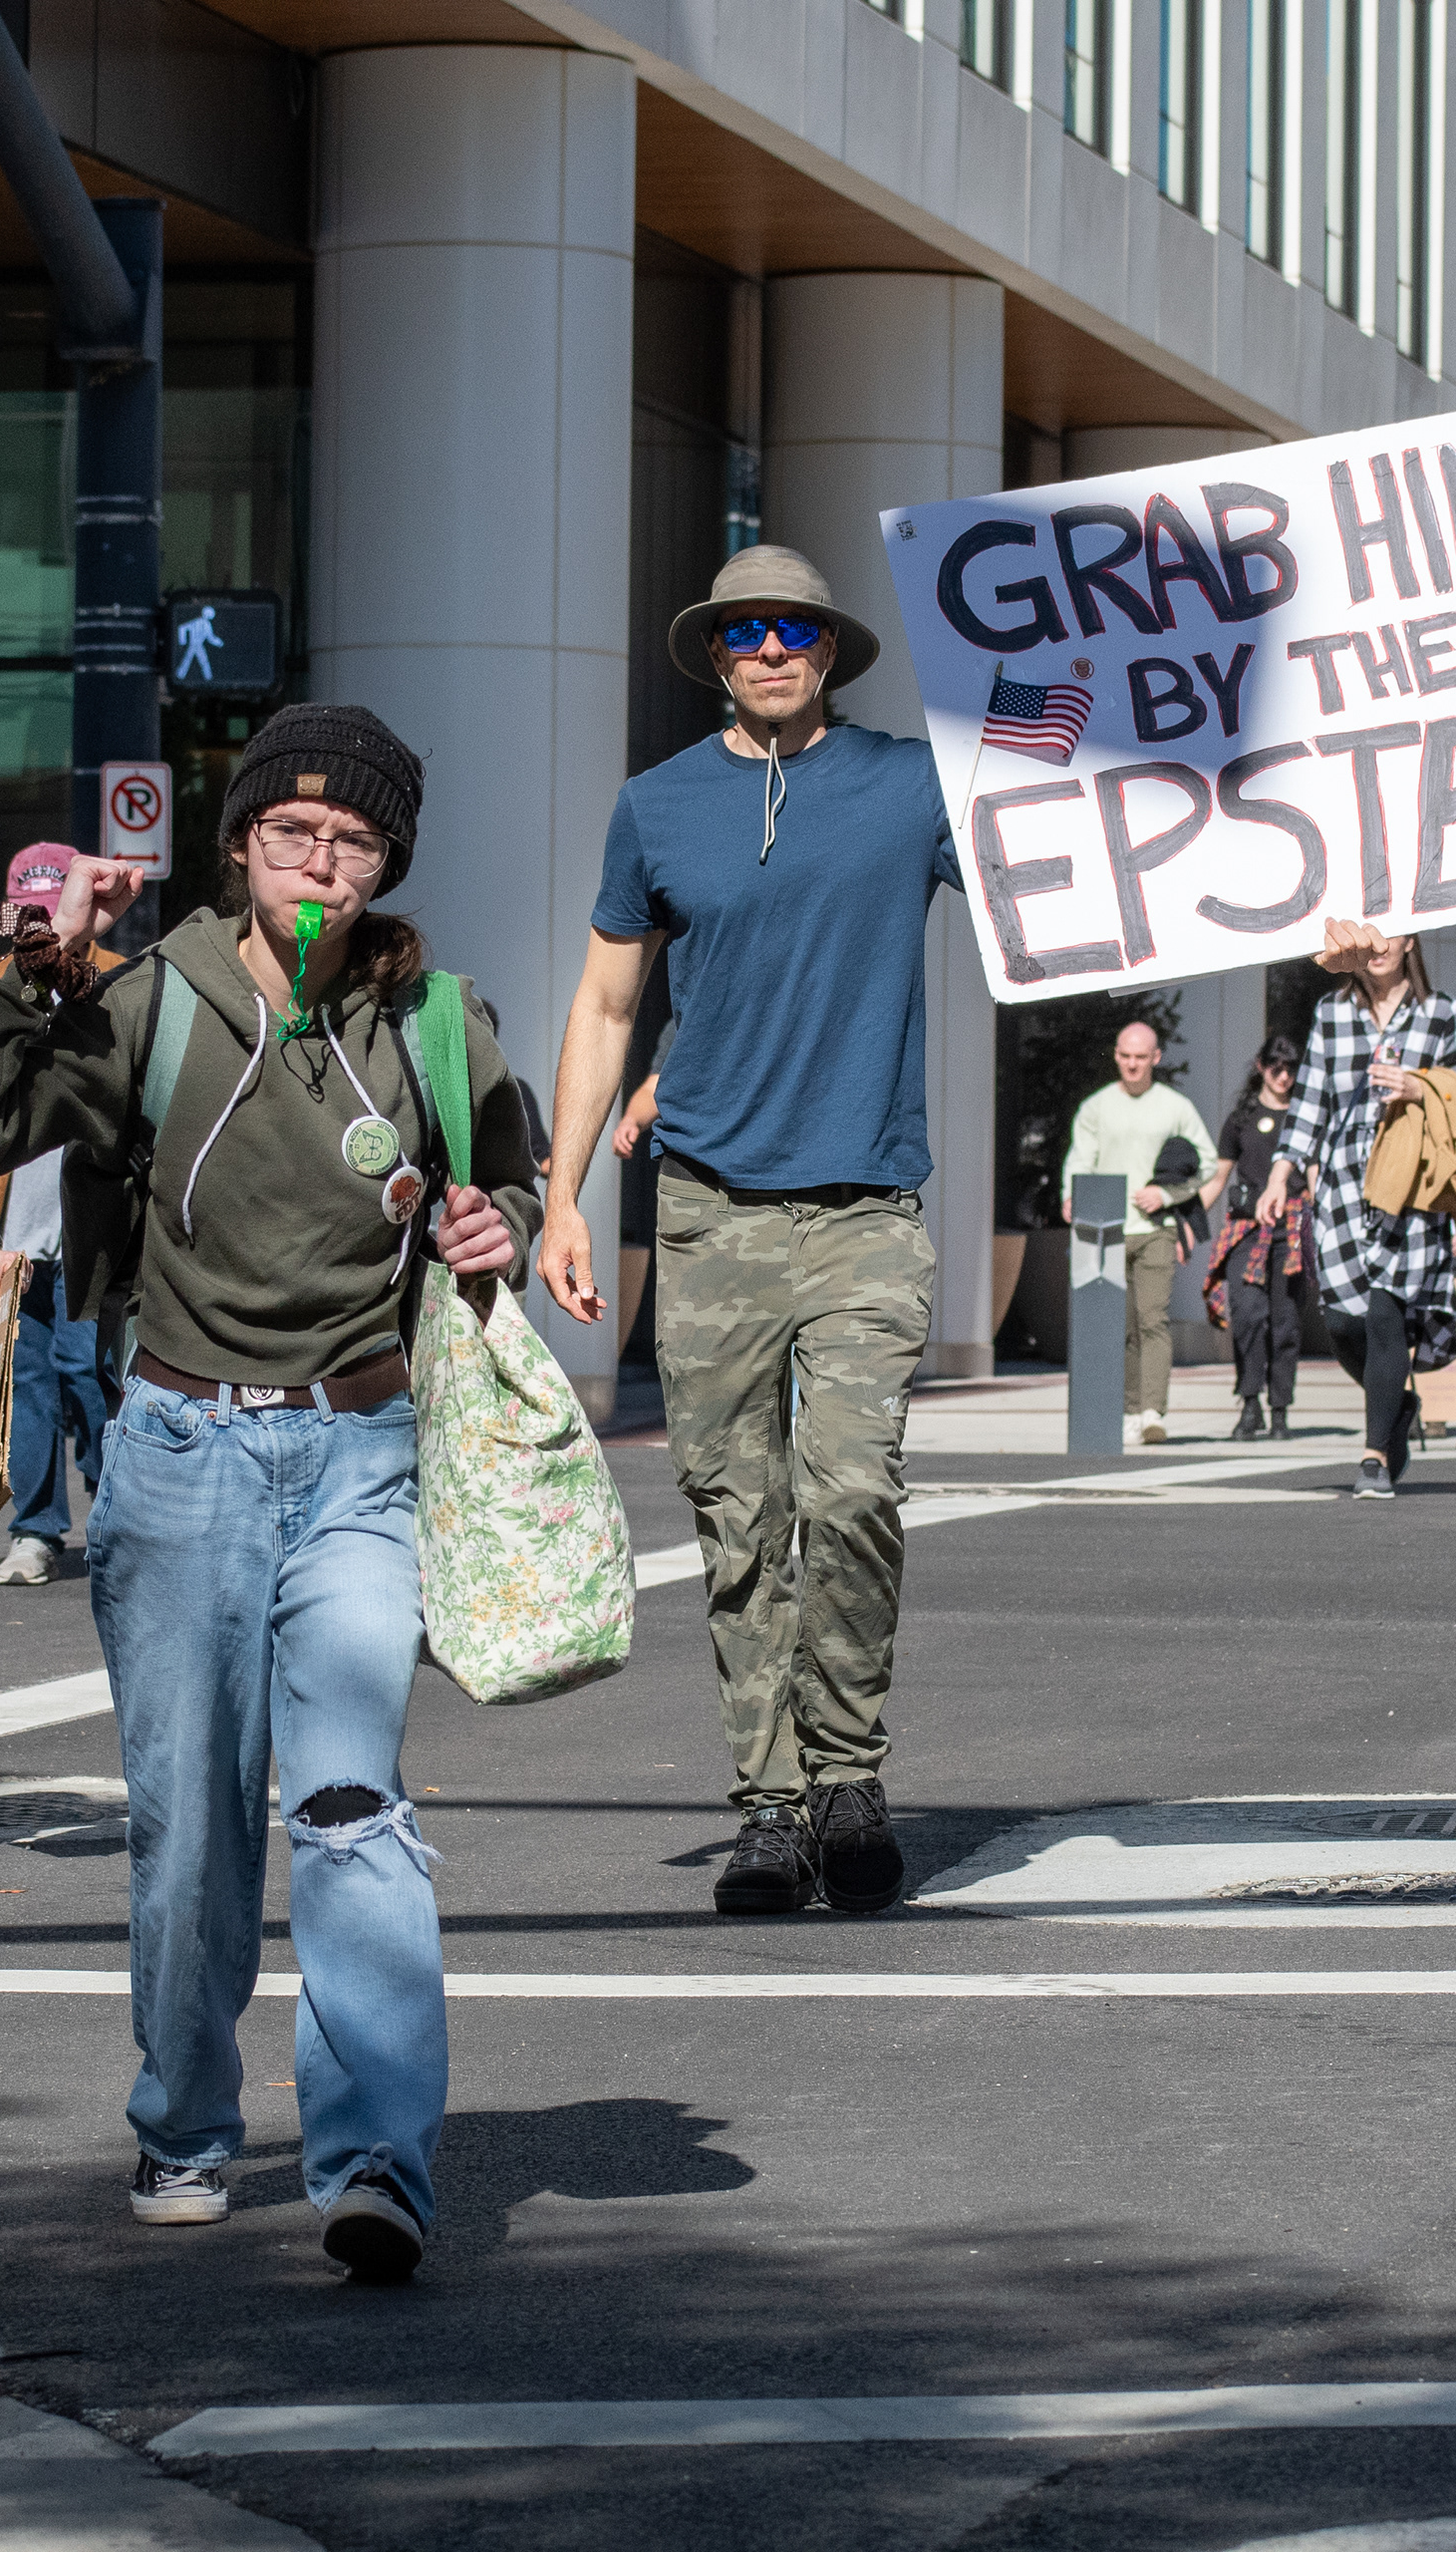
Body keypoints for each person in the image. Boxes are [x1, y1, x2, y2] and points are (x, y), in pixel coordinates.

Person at [0, 705, 540, 2271]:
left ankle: (376, 2160)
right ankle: (187, 2120)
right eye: (291, 834)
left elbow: (506, 1170)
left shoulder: (435, 1022)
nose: (320, 861)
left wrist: (502, 1221)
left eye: (353, 839)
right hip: (181, 1447)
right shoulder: (151, 1005)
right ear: (242, 846)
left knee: (351, 1815)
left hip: (361, 1450)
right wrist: (28, 975)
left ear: (388, 861)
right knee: (190, 1831)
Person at [541, 547, 955, 1922]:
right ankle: (770, 1809)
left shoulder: (913, 784)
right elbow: (606, 1009)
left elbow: (1075, 883)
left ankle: (850, 1776)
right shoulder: (656, 808)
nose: (769, 650)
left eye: (793, 629)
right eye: (742, 633)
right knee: (738, 1522)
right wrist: (562, 1199)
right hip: (710, 1206)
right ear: (715, 656)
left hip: (864, 1207)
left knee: (850, 1499)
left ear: (828, 651)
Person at [0, 896, 129, 1590]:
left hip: (93, 1232)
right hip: (14, 1234)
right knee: (25, 1384)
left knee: (93, 1378)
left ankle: (115, 1514)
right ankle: (35, 1530)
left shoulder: (124, 982)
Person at [1261, 921, 1456, 1502]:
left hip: (1412, 1188)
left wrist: (1418, 1087)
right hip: (1343, 1191)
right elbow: (1309, 1101)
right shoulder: (1333, 1013)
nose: (1379, 950)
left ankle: (1374, 1455)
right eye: (1370, 940)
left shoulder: (1441, 1013)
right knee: (1343, 1323)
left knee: (1386, 1318)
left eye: (1392, 938)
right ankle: (1397, 1404)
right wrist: (1281, 1174)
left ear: (1411, 944)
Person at [1061, 1021, 1220, 1444]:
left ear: (1155, 1058)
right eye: (1125, 1056)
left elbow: (1207, 1163)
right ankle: (1129, 1410)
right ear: (1116, 1055)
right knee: (1121, 1326)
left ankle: (1153, 1413)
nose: (1132, 1064)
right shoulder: (1096, 1107)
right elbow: (1080, 1159)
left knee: (1153, 1320)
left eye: (1140, 1057)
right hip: (1106, 1227)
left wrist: (1166, 1195)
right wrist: (1070, 1196)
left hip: (1156, 1230)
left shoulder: (1175, 1107)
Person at [1211, 1035, 1316, 1439]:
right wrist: (1185, 1219)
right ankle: (1250, 1402)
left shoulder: (1304, 1118)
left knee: (1285, 1321)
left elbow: (1314, 1176)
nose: (1284, 1077)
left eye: (1291, 1069)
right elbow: (1219, 1178)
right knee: (1248, 1314)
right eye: (1276, 1067)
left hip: (1291, 1229)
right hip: (1246, 1228)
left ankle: (1280, 1412)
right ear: (1260, 1066)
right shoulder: (1242, 1118)